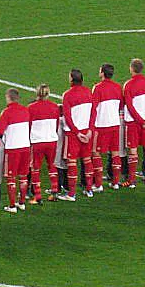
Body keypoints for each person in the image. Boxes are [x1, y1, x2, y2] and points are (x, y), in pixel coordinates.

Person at [0, 88, 32, 212]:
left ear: (8, 97)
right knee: (23, 176)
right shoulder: (25, 110)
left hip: (13, 149)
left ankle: (12, 206)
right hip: (26, 147)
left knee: (11, 177)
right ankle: (21, 203)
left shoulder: (7, 112)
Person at [61, 69, 96, 201]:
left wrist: (77, 132)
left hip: (74, 134)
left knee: (72, 162)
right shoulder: (88, 91)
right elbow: (93, 112)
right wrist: (90, 130)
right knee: (87, 160)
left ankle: (71, 194)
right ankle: (89, 189)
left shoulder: (68, 95)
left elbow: (68, 117)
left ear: (71, 79)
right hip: (87, 132)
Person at [121, 59, 145, 187]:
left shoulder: (128, 85)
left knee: (133, 150)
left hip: (133, 123)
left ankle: (132, 180)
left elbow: (129, 105)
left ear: (131, 68)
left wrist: (140, 121)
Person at [90, 65, 123, 191]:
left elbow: (93, 108)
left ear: (102, 73)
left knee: (96, 153)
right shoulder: (118, 87)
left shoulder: (97, 88)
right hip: (115, 124)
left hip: (101, 125)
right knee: (115, 152)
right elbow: (120, 105)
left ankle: (98, 185)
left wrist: (91, 126)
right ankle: (115, 182)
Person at [28, 84, 61, 203]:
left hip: (37, 142)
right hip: (51, 140)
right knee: (52, 165)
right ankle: (54, 192)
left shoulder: (31, 108)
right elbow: (57, 124)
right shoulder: (54, 107)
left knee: (35, 168)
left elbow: (29, 125)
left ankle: (37, 196)